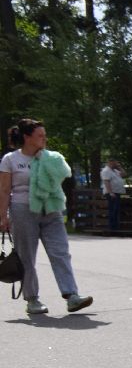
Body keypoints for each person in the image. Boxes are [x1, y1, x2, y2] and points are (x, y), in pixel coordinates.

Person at [0, 118, 93, 316]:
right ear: (27, 137)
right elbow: (5, 189)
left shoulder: (51, 157)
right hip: (22, 210)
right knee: (27, 257)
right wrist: (3, 216)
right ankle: (32, 299)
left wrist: (46, 159)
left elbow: (63, 175)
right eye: (40, 135)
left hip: (51, 209)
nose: (44, 138)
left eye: (44, 135)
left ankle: (71, 295)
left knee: (60, 252)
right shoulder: (11, 159)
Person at [100, 158, 125, 234]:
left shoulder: (115, 170)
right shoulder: (106, 171)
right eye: (115, 163)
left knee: (116, 209)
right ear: (110, 162)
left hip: (117, 192)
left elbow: (124, 174)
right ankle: (112, 227)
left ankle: (115, 226)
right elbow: (106, 182)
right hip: (111, 193)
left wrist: (120, 167)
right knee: (113, 210)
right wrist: (110, 192)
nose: (116, 164)